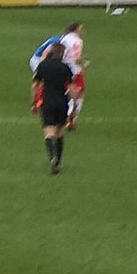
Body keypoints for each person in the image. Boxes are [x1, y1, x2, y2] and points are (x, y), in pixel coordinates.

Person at [31, 42, 73, 174]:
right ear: (62, 54)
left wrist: (34, 103)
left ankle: (52, 158)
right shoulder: (65, 68)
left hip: (48, 102)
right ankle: (58, 162)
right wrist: (73, 107)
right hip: (62, 102)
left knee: (49, 133)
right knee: (59, 133)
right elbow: (72, 89)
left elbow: (35, 86)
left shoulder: (43, 66)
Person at [59, 22, 87, 129]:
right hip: (75, 70)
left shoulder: (64, 38)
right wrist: (84, 64)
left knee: (65, 93)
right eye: (81, 28)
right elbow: (77, 58)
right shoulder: (77, 41)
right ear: (76, 29)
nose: (82, 31)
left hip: (62, 68)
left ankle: (64, 115)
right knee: (79, 94)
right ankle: (71, 117)